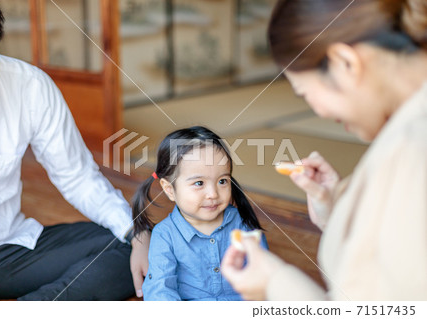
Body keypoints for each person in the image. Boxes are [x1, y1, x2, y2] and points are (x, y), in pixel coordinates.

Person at [221, 0, 427, 300]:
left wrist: (274, 284)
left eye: (305, 93)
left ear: (345, 63)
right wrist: (338, 206)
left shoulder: (413, 146)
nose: (317, 111)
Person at [0, 0, 149, 300]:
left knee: (128, 246)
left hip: (13, 248)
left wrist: (134, 233)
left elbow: (77, 175)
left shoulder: (28, 85)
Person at [131, 126, 268, 300]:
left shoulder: (242, 224)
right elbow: (160, 290)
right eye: (199, 183)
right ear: (169, 189)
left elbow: (265, 276)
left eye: (222, 181)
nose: (213, 194)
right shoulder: (165, 235)